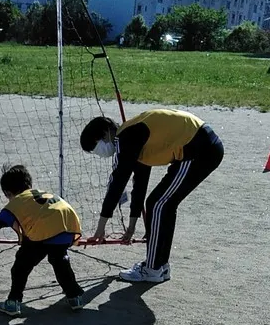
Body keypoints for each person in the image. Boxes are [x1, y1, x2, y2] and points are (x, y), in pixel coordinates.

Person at [80, 108, 224, 283]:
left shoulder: (126, 137)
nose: (99, 153)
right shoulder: (133, 137)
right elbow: (139, 184)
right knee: (162, 204)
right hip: (196, 148)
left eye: (96, 147)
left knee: (158, 204)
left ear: (104, 134)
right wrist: (132, 225)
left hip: (199, 150)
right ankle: (160, 265)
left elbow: (117, 183)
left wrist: (100, 228)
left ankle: (152, 269)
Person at [0, 165, 85, 316]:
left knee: (21, 265)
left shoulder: (16, 204)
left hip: (43, 230)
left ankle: (13, 302)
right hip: (68, 225)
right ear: (28, 184)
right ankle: (74, 297)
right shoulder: (41, 193)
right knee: (59, 260)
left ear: (8, 193)